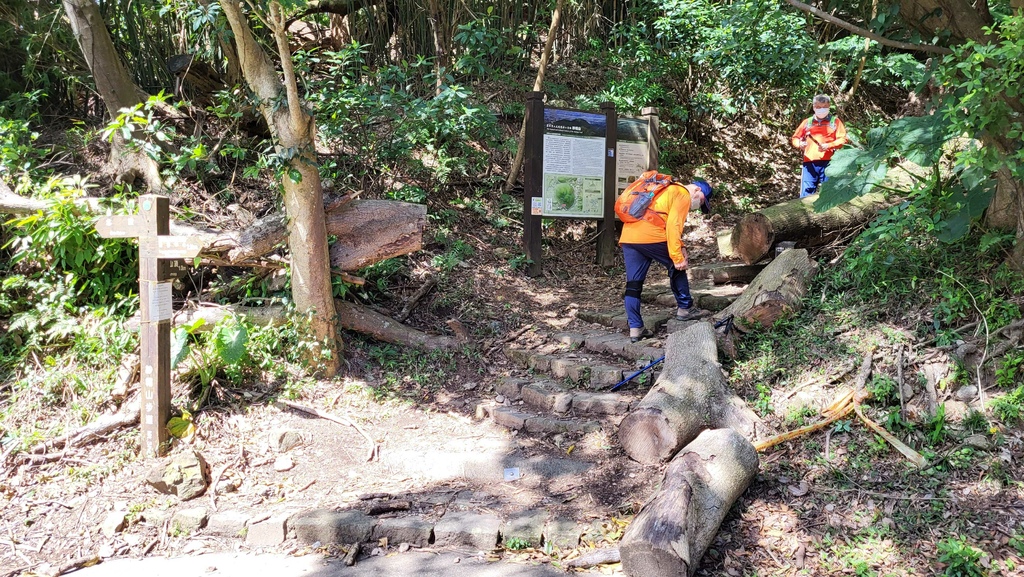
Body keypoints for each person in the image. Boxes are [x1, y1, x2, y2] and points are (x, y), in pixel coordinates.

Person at [617, 177, 713, 343]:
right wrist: (677, 257)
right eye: (702, 202)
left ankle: (636, 329)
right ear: (697, 190)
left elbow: (661, 216)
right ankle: (685, 309)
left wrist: (680, 245)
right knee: (678, 267)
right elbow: (673, 225)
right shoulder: (682, 193)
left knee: (633, 284)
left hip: (629, 237)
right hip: (653, 236)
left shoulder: (663, 189)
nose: (698, 207)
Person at [791, 94, 848, 198]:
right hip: (809, 162)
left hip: (829, 162)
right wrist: (800, 144)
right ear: (813, 107)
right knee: (806, 193)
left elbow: (843, 139)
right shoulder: (807, 122)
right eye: (818, 107)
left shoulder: (835, 122)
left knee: (829, 192)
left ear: (829, 106)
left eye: (824, 107)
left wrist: (830, 145)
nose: (822, 109)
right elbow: (795, 138)